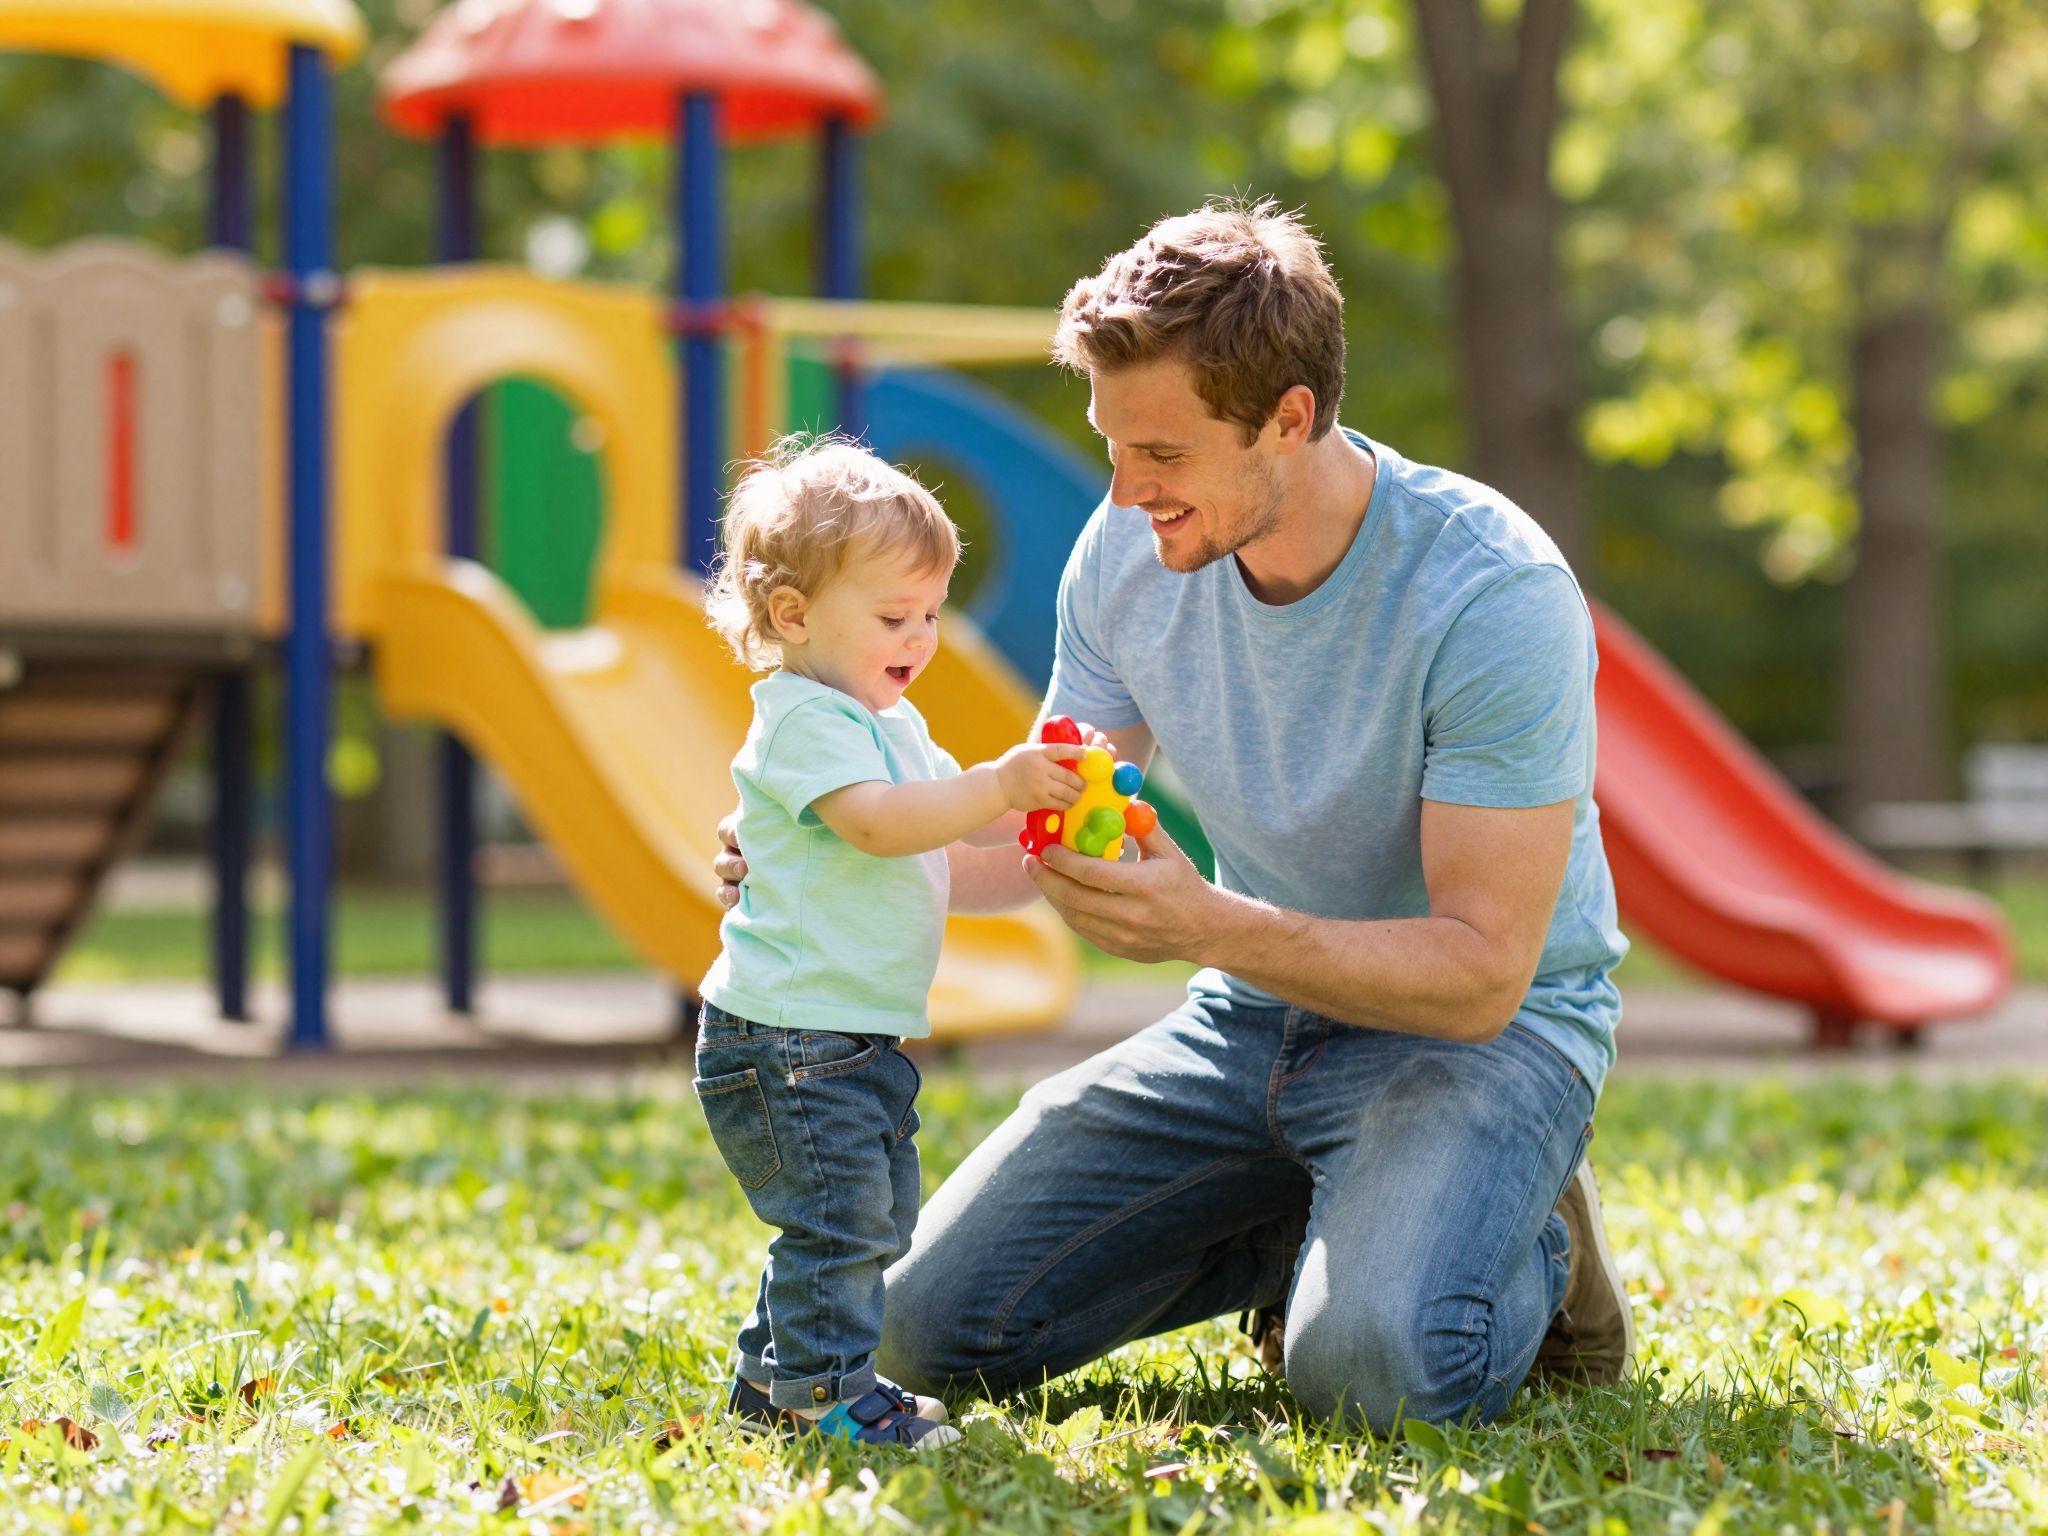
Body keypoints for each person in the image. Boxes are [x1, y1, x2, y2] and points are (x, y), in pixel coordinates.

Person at [715, 201, 1635, 1432]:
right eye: (1111, 445)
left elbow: (1479, 975)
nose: (1123, 488)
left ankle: (1528, 1240)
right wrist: (828, 842)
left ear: (1288, 420)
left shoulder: (1488, 594)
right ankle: (1328, 1224)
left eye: (1159, 451)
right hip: (1248, 1025)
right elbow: (1045, 831)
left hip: (1473, 1041)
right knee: (922, 1327)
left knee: (1374, 1381)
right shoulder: (1123, 554)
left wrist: (1205, 923)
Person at [695, 438, 1086, 1449]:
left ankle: (770, 1379)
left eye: (927, 614)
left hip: (846, 1040)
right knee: (837, 1225)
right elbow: (880, 825)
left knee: (864, 1220)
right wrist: (999, 785)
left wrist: (1047, 854)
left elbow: (940, 859)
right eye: (890, 617)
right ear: (792, 616)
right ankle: (827, 1401)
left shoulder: (894, 725)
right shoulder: (801, 723)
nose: (918, 637)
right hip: (786, 1040)